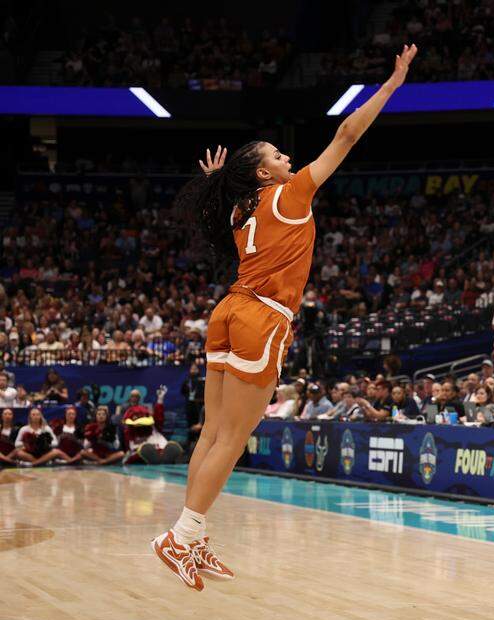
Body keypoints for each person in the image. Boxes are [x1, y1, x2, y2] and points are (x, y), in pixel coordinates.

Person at [153, 44, 418, 592]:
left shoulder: (238, 207)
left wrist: (219, 178)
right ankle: (181, 535)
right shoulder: (289, 196)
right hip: (262, 317)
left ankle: (191, 539)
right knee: (234, 438)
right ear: (261, 170)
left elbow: (223, 196)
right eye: (276, 154)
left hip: (227, 311)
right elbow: (345, 135)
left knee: (212, 435)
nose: (287, 159)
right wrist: (391, 86)